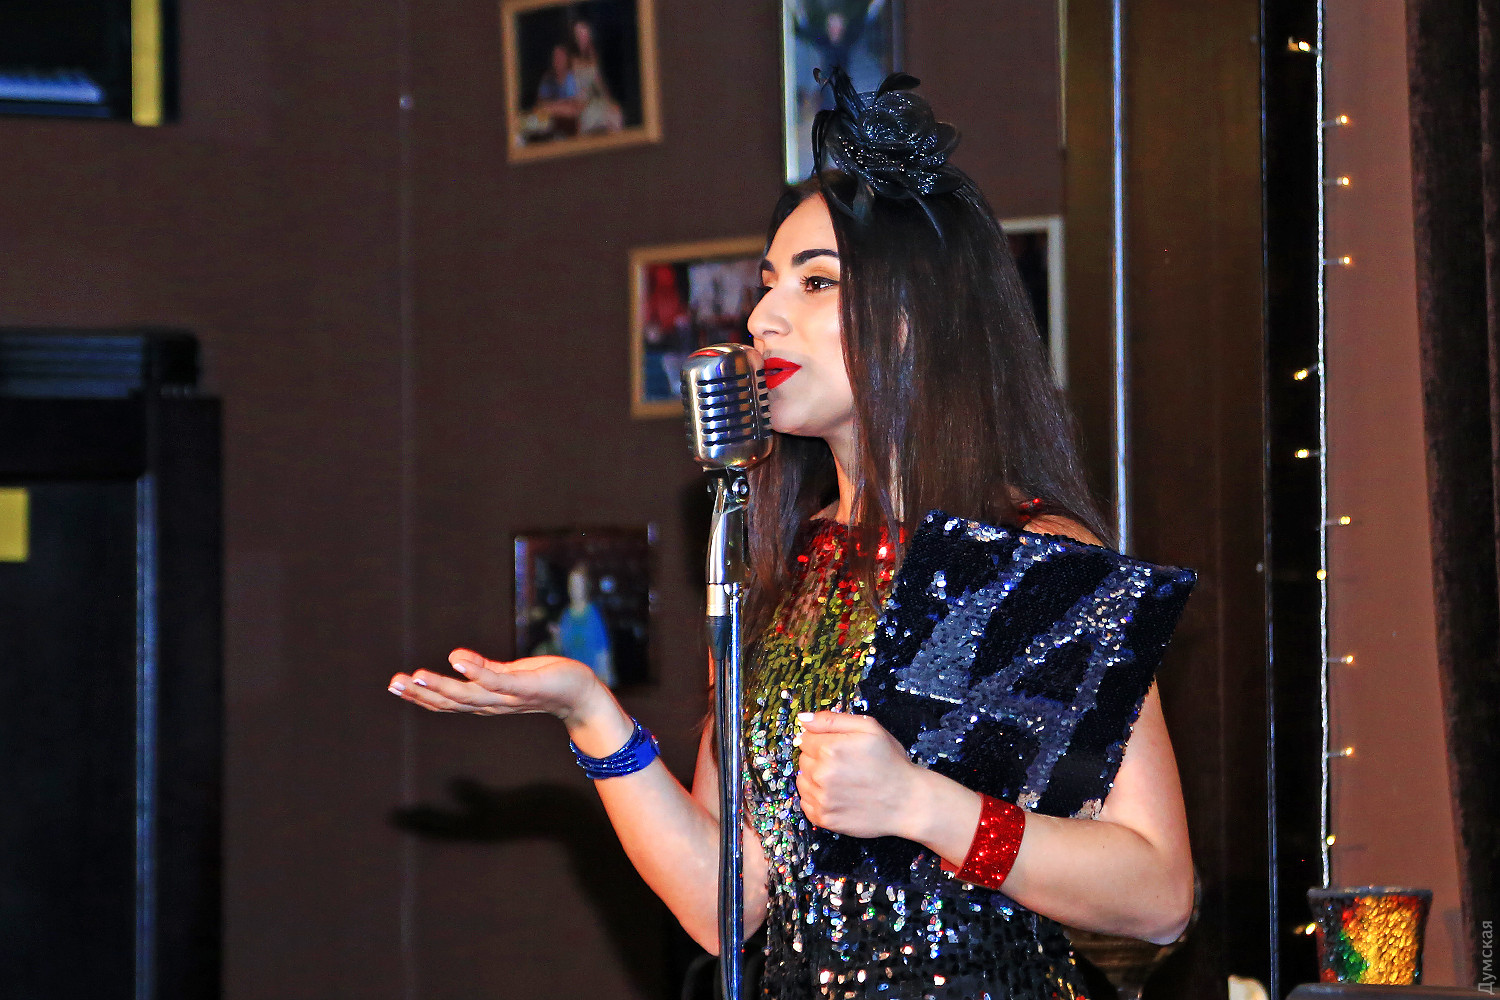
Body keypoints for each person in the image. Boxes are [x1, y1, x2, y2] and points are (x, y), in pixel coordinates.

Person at [388, 70, 1194, 999]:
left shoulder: (1031, 555)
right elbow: (725, 907)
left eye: (815, 282)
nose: (761, 317)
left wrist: (922, 805)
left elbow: (1159, 895)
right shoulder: (781, 561)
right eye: (767, 284)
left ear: (914, 321)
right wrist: (591, 715)